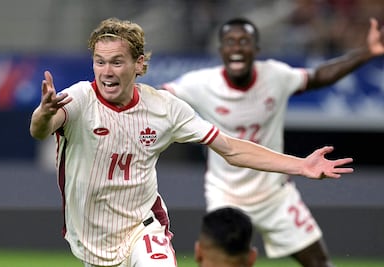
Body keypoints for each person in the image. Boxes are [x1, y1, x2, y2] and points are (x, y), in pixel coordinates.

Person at [29, 17, 354, 267]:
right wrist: (43, 114)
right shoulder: (80, 98)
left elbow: (231, 148)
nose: (106, 71)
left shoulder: (165, 109)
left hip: (143, 228)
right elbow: (41, 130)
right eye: (100, 61)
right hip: (90, 237)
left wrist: (301, 165)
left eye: (117, 61)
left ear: (139, 64)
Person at [161, 17, 384, 267]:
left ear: (256, 49)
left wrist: (367, 52)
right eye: (229, 42)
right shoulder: (200, 83)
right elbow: (159, 97)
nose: (236, 47)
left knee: (320, 264)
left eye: (244, 41)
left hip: (275, 195)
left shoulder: (276, 76)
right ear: (221, 50)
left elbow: (319, 76)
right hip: (226, 196)